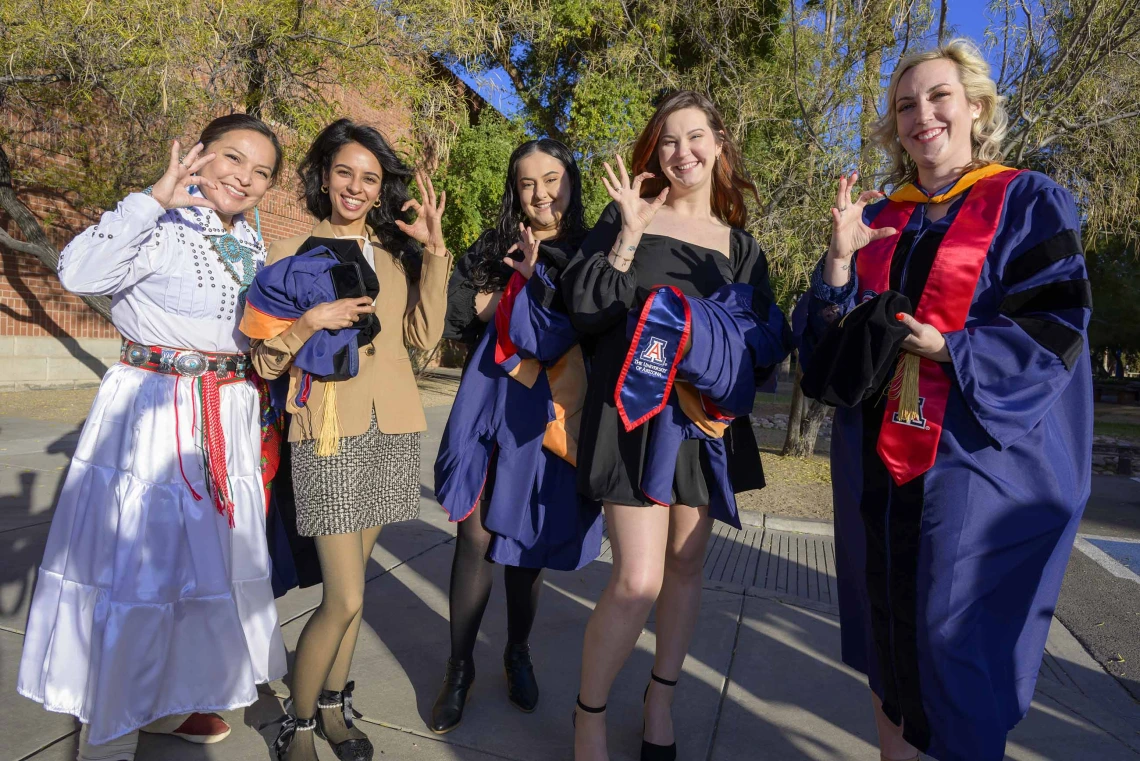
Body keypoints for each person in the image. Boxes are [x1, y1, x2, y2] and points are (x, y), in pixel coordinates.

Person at [794, 39, 1092, 761]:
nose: (920, 114)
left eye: (937, 97)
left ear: (976, 108)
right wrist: (837, 263)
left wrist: (952, 347)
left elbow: (1056, 327)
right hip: (876, 464)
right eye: (904, 105)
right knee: (886, 634)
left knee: (954, 643)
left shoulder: (1026, 200)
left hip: (971, 460)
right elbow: (824, 357)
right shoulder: (877, 217)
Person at [17, 114, 288, 761]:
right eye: (232, 159)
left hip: (225, 418)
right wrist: (152, 199)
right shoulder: (159, 222)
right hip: (154, 416)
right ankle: (108, 735)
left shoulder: (249, 242)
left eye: (260, 172)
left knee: (201, 573)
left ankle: (165, 703)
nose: (244, 178)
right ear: (199, 155)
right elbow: (78, 272)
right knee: (138, 575)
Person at [564, 91, 791, 761]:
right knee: (637, 578)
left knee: (687, 563)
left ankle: (660, 698)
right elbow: (583, 306)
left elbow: (767, 338)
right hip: (634, 416)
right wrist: (629, 239)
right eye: (668, 140)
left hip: (703, 423)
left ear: (720, 144)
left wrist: (719, 364)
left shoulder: (741, 247)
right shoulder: (626, 215)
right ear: (654, 151)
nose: (682, 151)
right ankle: (589, 716)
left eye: (696, 137)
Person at [247, 119, 450, 761]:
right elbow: (263, 363)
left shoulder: (392, 258)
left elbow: (423, 339)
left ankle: (335, 708)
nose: (356, 187)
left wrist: (436, 252)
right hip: (326, 434)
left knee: (357, 588)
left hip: (390, 430)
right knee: (345, 596)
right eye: (345, 173)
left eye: (370, 177)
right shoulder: (285, 254)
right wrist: (308, 322)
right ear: (324, 176)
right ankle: (298, 725)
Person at [430, 138, 603, 734]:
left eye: (552, 179)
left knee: (526, 544)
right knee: (472, 539)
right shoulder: (493, 244)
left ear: (570, 181)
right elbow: (455, 314)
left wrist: (526, 296)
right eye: (527, 182)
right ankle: (458, 668)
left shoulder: (590, 250)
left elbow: (587, 322)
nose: (541, 194)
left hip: (550, 412)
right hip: (489, 399)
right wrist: (511, 295)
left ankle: (517, 652)